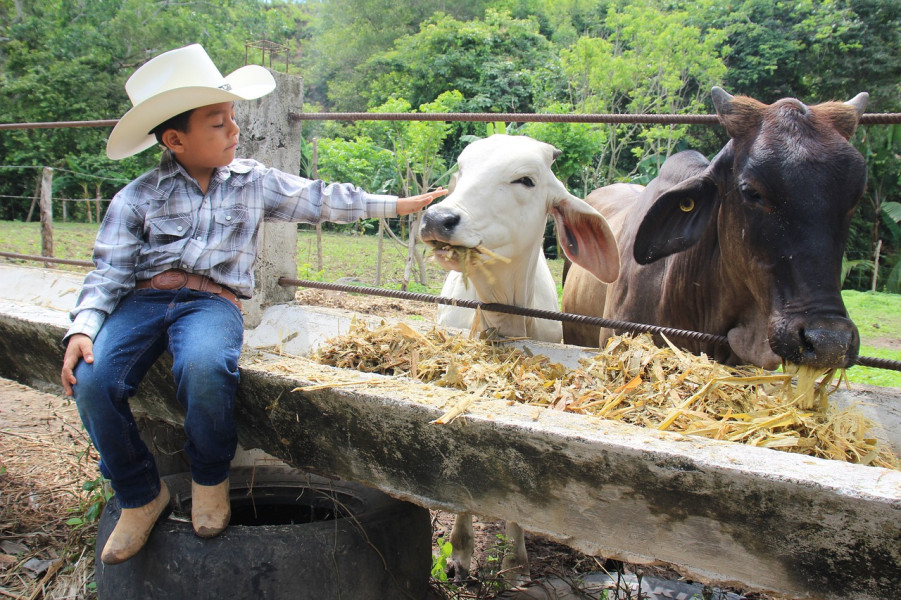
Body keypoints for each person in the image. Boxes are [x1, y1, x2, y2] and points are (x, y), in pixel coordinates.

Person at [59, 44, 446, 565]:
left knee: (204, 367)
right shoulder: (137, 197)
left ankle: (210, 479)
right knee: (92, 378)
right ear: (175, 140)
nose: (234, 130)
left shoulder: (254, 182)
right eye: (218, 123)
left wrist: (399, 205)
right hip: (142, 301)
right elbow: (108, 272)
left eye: (232, 118)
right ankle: (140, 496)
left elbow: (322, 198)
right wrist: (84, 328)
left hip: (209, 304)